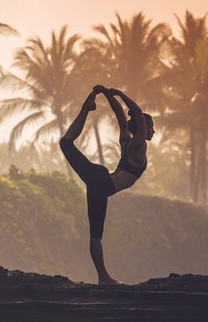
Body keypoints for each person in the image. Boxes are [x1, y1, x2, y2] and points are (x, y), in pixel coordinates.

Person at [59, 85, 155, 285]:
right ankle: (103, 278)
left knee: (66, 144)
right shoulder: (138, 145)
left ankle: (87, 108)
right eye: (151, 127)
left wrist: (106, 94)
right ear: (143, 128)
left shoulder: (125, 139)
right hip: (102, 184)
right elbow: (134, 112)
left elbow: (119, 113)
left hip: (98, 180)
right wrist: (118, 94)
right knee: (96, 234)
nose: (153, 131)